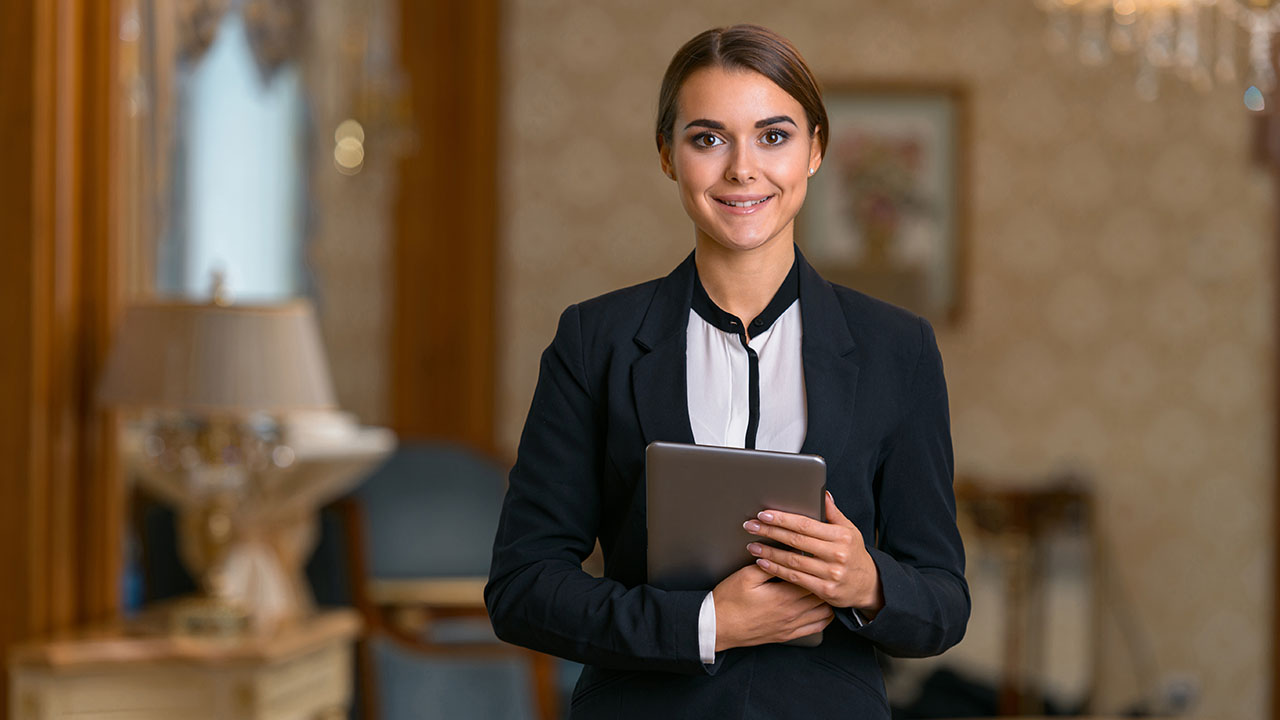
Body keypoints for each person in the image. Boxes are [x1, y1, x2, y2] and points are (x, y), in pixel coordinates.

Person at [485, 24, 969, 718]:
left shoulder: (900, 349)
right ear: (666, 155)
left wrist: (866, 582)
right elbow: (522, 589)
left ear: (816, 150)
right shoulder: (596, 341)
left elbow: (944, 604)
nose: (743, 169)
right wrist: (707, 624)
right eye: (708, 139)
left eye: (774, 136)